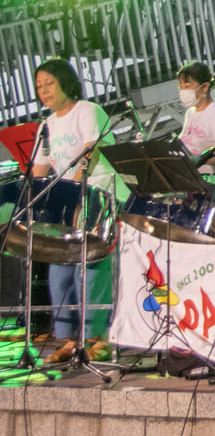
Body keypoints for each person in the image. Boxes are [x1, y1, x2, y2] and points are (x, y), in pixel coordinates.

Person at [30, 58, 128, 364]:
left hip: (98, 197)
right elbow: (40, 167)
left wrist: (72, 190)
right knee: (59, 273)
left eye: (49, 83)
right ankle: (69, 340)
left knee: (93, 270)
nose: (43, 90)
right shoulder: (47, 124)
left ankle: (98, 339)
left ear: (66, 82)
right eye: (39, 86)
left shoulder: (87, 110)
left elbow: (92, 150)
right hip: (68, 204)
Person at [175, 62, 215, 173]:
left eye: (187, 87)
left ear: (204, 87)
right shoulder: (190, 113)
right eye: (181, 87)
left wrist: (201, 160)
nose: (183, 91)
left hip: (207, 179)